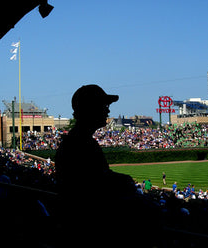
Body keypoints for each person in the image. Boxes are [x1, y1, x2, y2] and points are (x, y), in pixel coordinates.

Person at [54, 84, 158, 246]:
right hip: (87, 231)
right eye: (104, 105)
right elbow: (94, 187)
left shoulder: (79, 140)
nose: (108, 110)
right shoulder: (81, 143)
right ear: (90, 108)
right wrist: (126, 181)